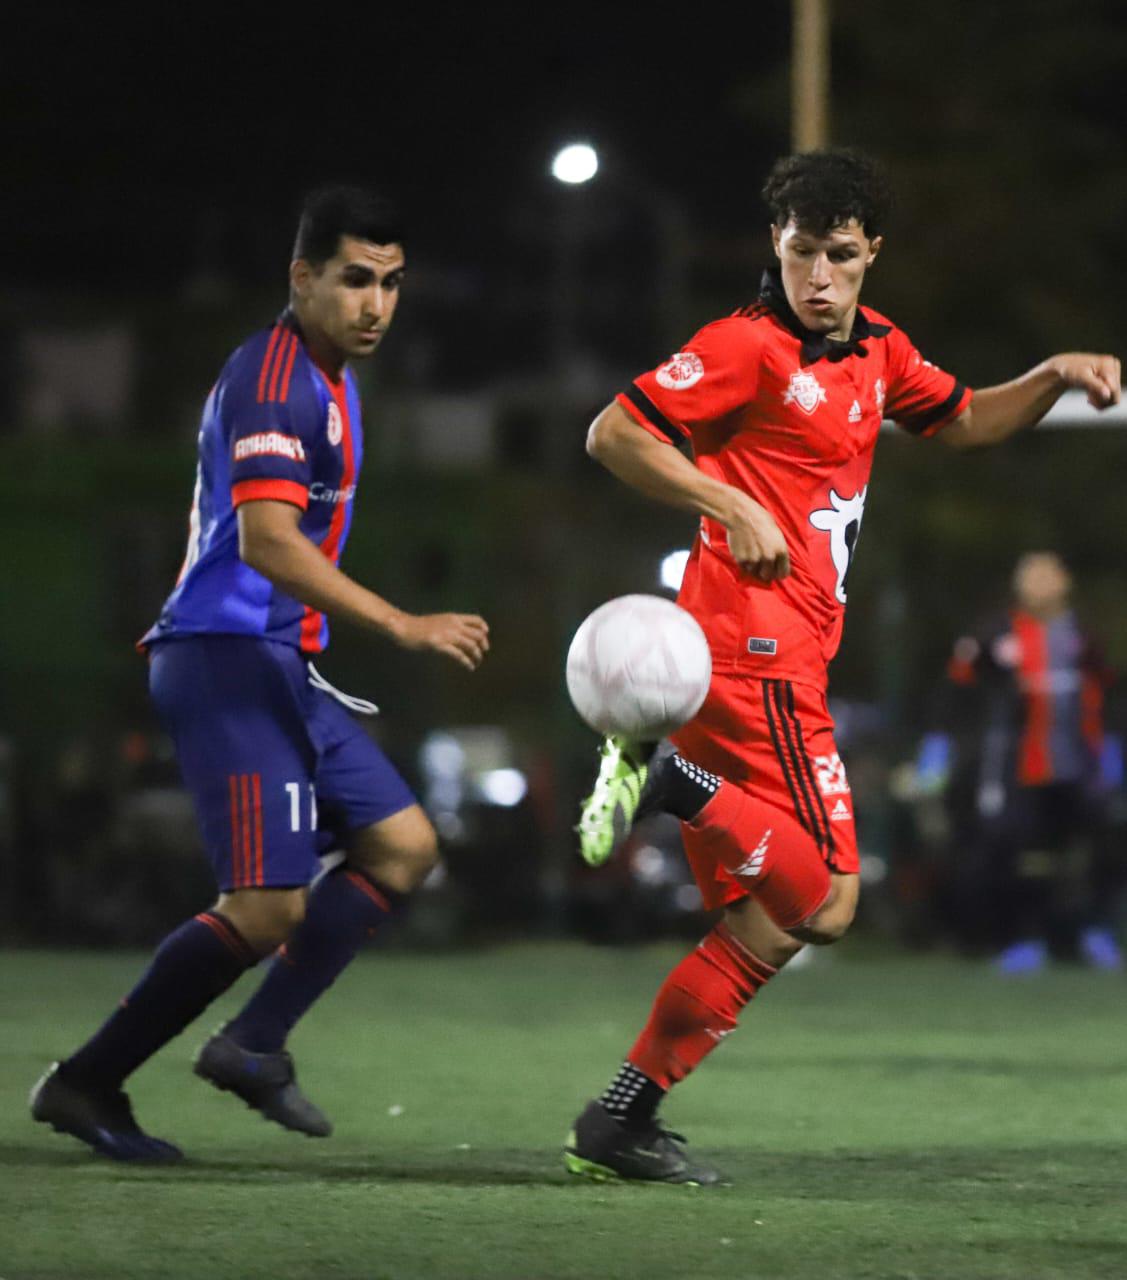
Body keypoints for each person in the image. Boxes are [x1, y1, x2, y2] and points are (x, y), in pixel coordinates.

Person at [566, 149, 1121, 1185]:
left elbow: (964, 421)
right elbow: (613, 434)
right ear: (772, 247)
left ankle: (618, 1118)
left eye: (839, 255)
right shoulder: (743, 344)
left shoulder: (877, 350)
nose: (817, 277)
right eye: (800, 253)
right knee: (824, 901)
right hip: (754, 651)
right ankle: (665, 778)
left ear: (871, 254)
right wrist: (727, 502)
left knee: (764, 925)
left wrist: (1050, 375)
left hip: (772, 656)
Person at [30, 186, 490, 1161]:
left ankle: (252, 1043)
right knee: (267, 906)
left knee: (403, 846)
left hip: (280, 660)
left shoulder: (332, 377)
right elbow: (267, 540)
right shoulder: (274, 379)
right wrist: (401, 623)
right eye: (355, 279)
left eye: (391, 283)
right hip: (222, 656)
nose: (375, 304)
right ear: (301, 276)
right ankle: (86, 1081)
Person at [947, 551, 1120, 972]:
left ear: (1065, 580)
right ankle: (1024, 938)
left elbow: (1109, 689)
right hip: (1019, 766)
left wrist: (1110, 751)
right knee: (1017, 850)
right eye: (1030, 575)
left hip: (1081, 764)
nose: (1039, 583)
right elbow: (960, 682)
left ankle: (1094, 931)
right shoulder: (997, 633)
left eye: (1047, 574)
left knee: (1098, 844)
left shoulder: (1084, 634)